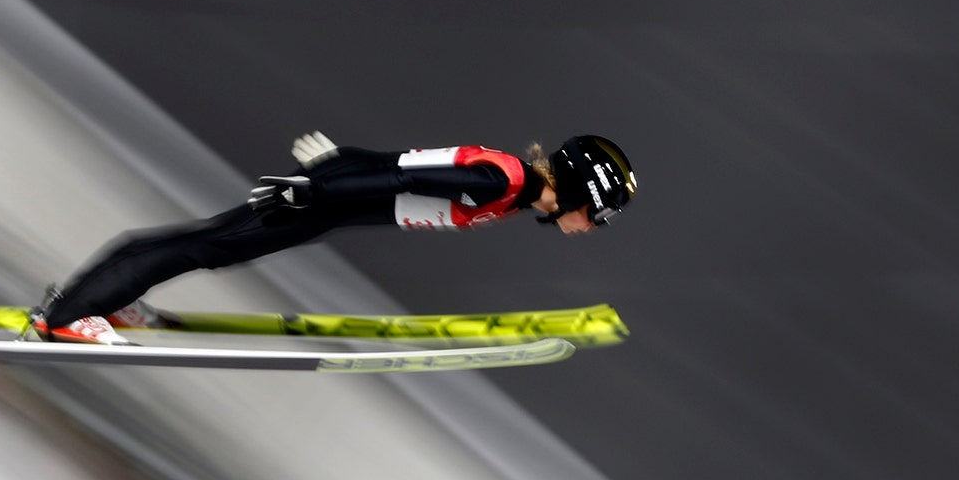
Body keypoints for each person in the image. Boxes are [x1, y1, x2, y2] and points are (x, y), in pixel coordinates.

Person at [33, 132, 637, 344]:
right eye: (598, 214)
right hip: (328, 199)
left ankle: (98, 301)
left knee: (213, 244)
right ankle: (71, 313)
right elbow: (400, 175)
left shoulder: (508, 186)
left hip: (334, 196)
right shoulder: (498, 182)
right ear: (581, 191)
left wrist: (336, 166)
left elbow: (403, 167)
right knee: (210, 245)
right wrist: (313, 190)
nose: (591, 228)